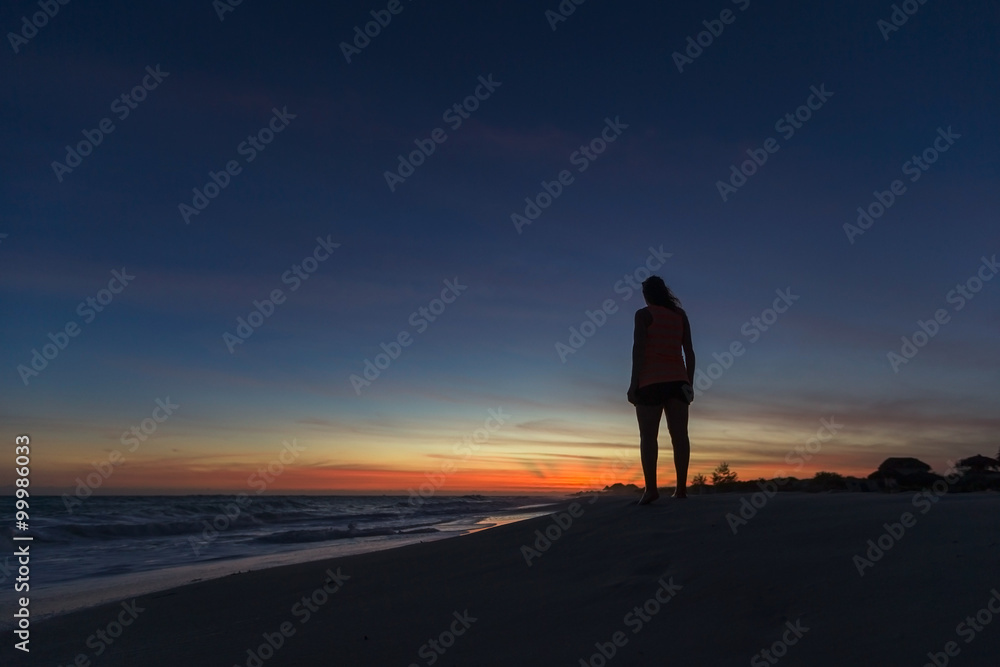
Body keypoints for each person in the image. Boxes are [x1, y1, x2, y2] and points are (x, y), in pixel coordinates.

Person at [626, 276, 695, 505]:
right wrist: (689, 384)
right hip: (678, 381)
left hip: (650, 382)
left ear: (647, 294)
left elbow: (639, 351)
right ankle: (682, 489)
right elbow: (689, 353)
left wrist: (633, 384)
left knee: (648, 437)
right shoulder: (680, 315)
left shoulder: (644, 315)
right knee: (680, 437)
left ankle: (651, 490)